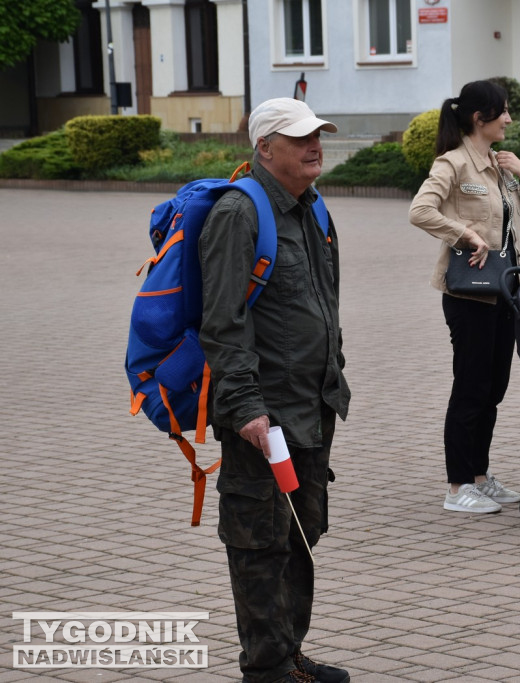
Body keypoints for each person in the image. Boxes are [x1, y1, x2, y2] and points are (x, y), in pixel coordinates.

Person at [199, 97, 352, 683]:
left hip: (312, 409)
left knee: (302, 534)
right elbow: (223, 322)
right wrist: (244, 408)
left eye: (318, 134)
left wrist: (334, 374)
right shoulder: (240, 213)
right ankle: (265, 669)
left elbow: (323, 303)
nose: (315, 144)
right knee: (260, 542)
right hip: (263, 416)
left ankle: (287, 652)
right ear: (265, 148)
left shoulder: (313, 209)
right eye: (299, 137)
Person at [409, 80, 520, 514]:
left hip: (504, 290)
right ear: (478, 118)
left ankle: (480, 477)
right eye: (501, 112)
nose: (508, 118)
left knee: (493, 389)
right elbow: (420, 210)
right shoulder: (453, 164)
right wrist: (463, 233)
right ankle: (457, 486)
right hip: (468, 296)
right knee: (470, 387)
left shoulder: (498, 163)